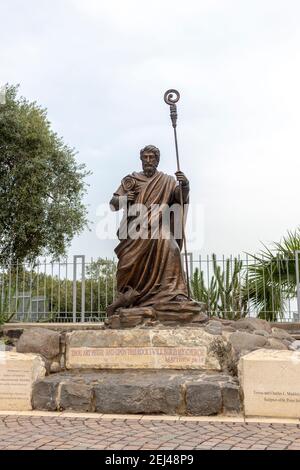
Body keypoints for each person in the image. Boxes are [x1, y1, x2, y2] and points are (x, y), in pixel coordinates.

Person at [107, 145, 190, 316]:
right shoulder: (132, 179)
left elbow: (179, 197)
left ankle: (175, 293)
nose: (148, 160)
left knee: (172, 247)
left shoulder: (167, 181)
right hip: (135, 229)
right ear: (141, 159)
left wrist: (185, 185)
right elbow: (113, 203)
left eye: (152, 157)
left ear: (157, 160)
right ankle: (128, 295)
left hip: (159, 226)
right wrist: (123, 199)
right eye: (145, 157)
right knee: (127, 263)